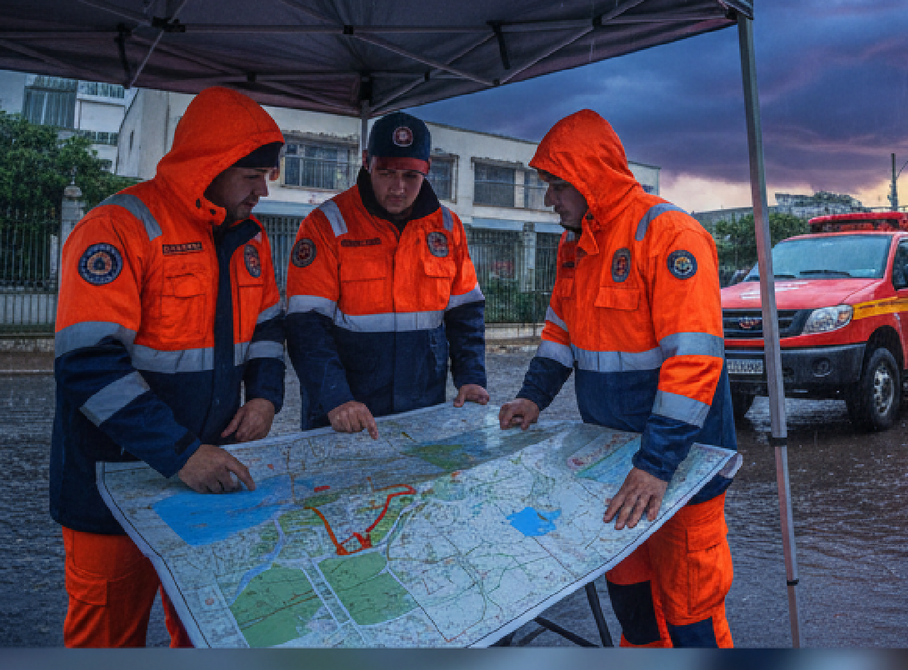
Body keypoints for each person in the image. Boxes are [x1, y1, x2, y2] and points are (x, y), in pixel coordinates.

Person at [50, 87, 287, 647]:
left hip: (207, 481)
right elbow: (88, 365)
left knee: (208, 634)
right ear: (210, 166)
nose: (264, 188)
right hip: (110, 487)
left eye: (267, 173)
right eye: (253, 174)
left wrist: (265, 397)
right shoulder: (119, 227)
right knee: (106, 643)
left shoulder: (252, 240)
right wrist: (181, 453)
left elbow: (268, 329)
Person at [498, 109, 737, 648]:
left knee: (690, 611)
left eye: (557, 186)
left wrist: (655, 465)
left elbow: (694, 360)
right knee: (632, 605)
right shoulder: (575, 244)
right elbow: (562, 328)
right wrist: (532, 395)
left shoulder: (671, 234)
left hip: (682, 466)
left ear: (590, 181)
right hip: (613, 462)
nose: (549, 200)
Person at [286, 112, 487, 436]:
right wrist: (336, 398)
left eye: (410, 175)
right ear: (367, 162)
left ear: (427, 169)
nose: (398, 187)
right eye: (386, 172)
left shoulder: (448, 228)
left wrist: (472, 378)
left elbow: (465, 314)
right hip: (345, 415)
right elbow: (306, 325)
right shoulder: (326, 225)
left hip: (422, 409)